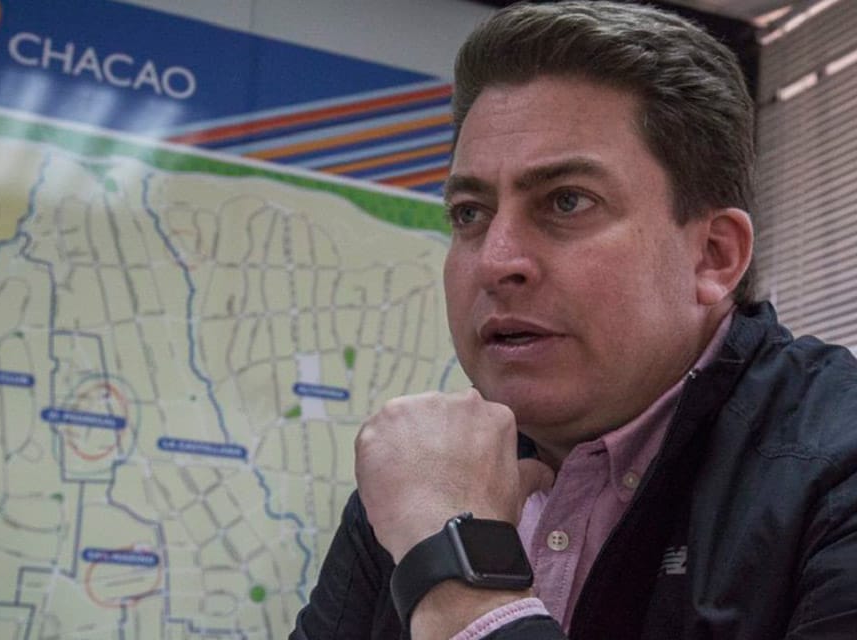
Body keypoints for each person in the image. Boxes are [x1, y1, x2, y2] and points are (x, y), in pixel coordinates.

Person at [290, 1, 857, 638]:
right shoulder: (429, 477)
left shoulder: (837, 469)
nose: (496, 261)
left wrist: (462, 582)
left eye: (566, 202)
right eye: (469, 212)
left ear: (713, 256)